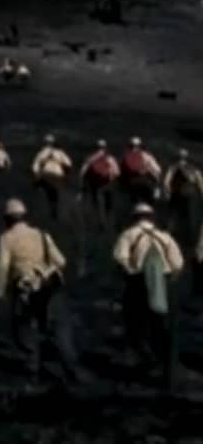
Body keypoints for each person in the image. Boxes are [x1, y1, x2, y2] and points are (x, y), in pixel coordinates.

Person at [0, 198, 79, 386]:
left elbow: (3, 266)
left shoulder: (6, 238)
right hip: (50, 286)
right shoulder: (41, 234)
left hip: (26, 289)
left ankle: (33, 369)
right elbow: (61, 261)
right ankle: (70, 368)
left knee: (24, 329)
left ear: (7, 219)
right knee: (59, 330)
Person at [112, 204, 184, 389]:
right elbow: (177, 264)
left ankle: (144, 364)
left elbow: (120, 258)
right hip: (165, 283)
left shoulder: (128, 235)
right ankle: (168, 373)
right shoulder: (165, 236)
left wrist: (129, 274)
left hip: (138, 284)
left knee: (136, 327)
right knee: (165, 330)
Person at [163, 149, 203, 251]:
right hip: (193, 197)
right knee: (192, 219)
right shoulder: (194, 169)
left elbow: (166, 182)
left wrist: (167, 193)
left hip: (177, 195)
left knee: (173, 217)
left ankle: (167, 239)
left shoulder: (173, 167)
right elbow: (200, 183)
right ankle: (191, 241)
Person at [79, 140, 120, 231]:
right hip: (107, 183)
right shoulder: (110, 158)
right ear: (105, 147)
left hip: (94, 184)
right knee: (108, 202)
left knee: (95, 203)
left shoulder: (90, 158)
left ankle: (99, 220)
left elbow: (82, 172)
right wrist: (112, 178)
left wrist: (82, 185)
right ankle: (107, 218)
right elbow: (117, 172)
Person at [31, 135, 72, 221]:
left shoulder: (41, 152)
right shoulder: (60, 152)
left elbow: (35, 167)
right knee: (55, 191)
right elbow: (69, 163)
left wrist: (36, 176)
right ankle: (55, 208)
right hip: (58, 174)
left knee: (43, 187)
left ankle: (44, 200)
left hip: (46, 174)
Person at [121, 138, 162, 211]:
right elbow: (158, 170)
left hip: (132, 184)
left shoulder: (125, 157)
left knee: (133, 204)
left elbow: (121, 172)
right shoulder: (147, 156)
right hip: (147, 183)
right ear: (140, 146)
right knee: (150, 203)